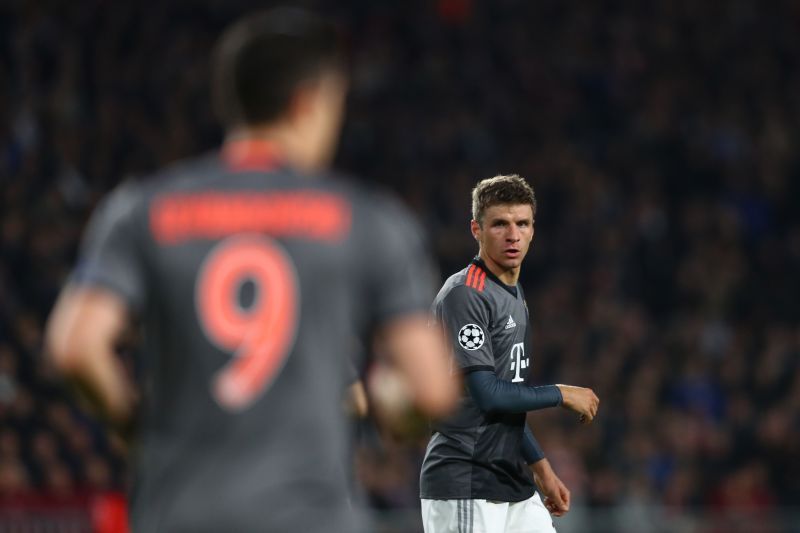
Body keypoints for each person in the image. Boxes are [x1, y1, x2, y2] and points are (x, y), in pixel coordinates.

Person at [44, 8, 458, 533]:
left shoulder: (143, 211)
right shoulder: (368, 221)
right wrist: (388, 403)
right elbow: (427, 389)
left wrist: (133, 426)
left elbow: (75, 346)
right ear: (308, 102)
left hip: (178, 513)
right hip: (307, 518)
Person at [419, 175, 600, 533]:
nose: (512, 234)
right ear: (476, 229)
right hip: (467, 479)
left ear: (534, 230)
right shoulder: (466, 294)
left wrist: (543, 471)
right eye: (500, 223)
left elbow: (508, 402)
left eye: (522, 223)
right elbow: (487, 394)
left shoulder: (513, 294)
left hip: (510, 480)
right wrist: (561, 394)